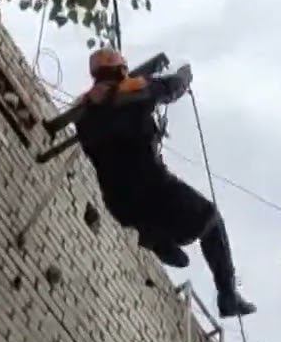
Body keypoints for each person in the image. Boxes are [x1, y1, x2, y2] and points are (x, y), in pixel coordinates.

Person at [74, 48, 256, 318]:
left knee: (157, 225)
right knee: (211, 220)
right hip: (155, 191)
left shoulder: (83, 112)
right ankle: (227, 296)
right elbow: (170, 88)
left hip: (120, 204)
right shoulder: (131, 92)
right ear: (120, 69)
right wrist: (185, 75)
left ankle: (157, 239)